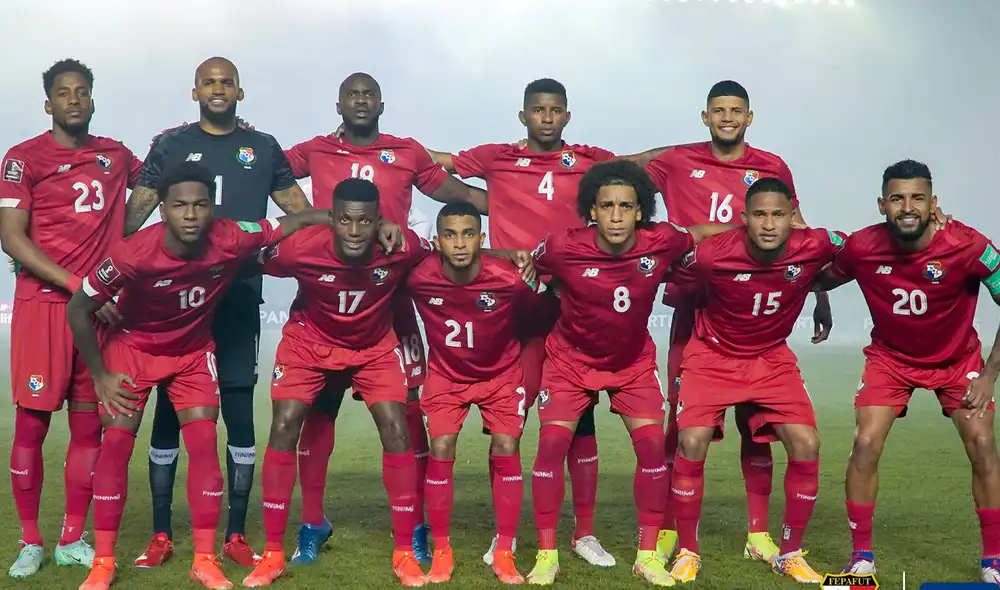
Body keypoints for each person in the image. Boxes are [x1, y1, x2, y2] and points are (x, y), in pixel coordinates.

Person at [65, 162, 336, 590]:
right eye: (179, 206)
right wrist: (99, 375)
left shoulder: (231, 235)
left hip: (191, 353)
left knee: (205, 444)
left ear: (212, 208)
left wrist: (336, 217)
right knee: (115, 445)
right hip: (133, 349)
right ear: (163, 210)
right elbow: (78, 307)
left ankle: (205, 560)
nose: (190, 214)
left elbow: (289, 222)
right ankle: (102, 563)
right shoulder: (132, 253)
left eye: (200, 205)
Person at [283, 72, 487, 564]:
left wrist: (521, 202)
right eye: (352, 95)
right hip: (329, 298)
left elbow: (456, 195)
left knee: (407, 413)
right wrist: (309, 217)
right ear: (338, 105)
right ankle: (312, 521)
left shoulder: (408, 152)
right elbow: (262, 167)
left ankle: (413, 522)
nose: (360, 101)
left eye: (368, 94)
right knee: (319, 409)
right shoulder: (313, 151)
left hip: (391, 297)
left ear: (381, 103)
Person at [123, 57, 313, 568]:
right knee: (168, 411)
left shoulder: (264, 146)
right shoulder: (170, 144)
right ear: (195, 92)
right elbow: (134, 213)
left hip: (235, 296)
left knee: (237, 410)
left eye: (227, 82)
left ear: (240, 92)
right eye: (210, 82)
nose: (218, 89)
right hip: (170, 300)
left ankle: (234, 534)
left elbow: (296, 208)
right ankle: (161, 535)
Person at [427, 78, 620, 567]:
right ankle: (503, 537)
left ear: (567, 116)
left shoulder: (589, 159)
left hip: (570, 302)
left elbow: (638, 167)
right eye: (539, 110)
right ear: (524, 116)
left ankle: (586, 533)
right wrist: (387, 147)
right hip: (512, 310)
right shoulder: (495, 157)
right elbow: (437, 163)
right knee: (510, 428)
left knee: (581, 421)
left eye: (556, 110)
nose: (547, 118)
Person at [643, 80, 830, 563]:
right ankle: (670, 529)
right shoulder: (677, 160)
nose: (727, 118)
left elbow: (801, 231)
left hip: (757, 305)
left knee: (756, 424)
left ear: (750, 117)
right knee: (682, 423)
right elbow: (622, 172)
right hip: (697, 305)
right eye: (718, 111)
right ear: (705, 116)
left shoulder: (772, 167)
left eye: (736, 111)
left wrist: (817, 293)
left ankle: (759, 532)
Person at [525, 160, 729, 587]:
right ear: (592, 211)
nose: (616, 216)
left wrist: (770, 230)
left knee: (654, 449)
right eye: (607, 206)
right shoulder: (563, 245)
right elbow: (533, 269)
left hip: (632, 364)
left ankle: (647, 555)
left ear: (640, 211)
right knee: (551, 448)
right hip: (570, 362)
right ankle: (547, 555)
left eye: (626, 207)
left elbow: (706, 232)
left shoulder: (663, 240)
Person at [812, 160, 1000, 584]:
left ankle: (994, 561)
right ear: (882, 204)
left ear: (934, 203)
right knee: (864, 443)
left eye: (917, 198)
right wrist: (820, 299)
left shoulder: (967, 244)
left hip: (957, 363)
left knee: (984, 446)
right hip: (891, 360)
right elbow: (818, 277)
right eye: (897, 198)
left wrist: (989, 373)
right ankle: (861, 558)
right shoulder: (862, 247)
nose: (908, 207)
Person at [0, 58, 143, 579]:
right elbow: (11, 238)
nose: (74, 100)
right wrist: (79, 286)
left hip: (102, 311)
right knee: (31, 427)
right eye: (64, 93)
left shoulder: (116, 155)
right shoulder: (22, 159)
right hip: (46, 308)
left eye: (82, 91)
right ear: (49, 103)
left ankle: (70, 538)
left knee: (90, 430)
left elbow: (165, 177)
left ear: (92, 98)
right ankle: (30, 540)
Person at [664, 177, 845, 584]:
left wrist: (820, 291)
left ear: (791, 217)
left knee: (807, 443)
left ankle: (790, 552)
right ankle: (688, 549)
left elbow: (865, 248)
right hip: (712, 356)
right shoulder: (713, 254)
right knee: (690, 441)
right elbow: (666, 273)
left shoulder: (815, 243)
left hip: (770, 358)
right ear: (744, 219)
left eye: (778, 215)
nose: (768, 224)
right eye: (759, 215)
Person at [406, 201, 541, 584]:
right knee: (442, 447)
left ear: (482, 239)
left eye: (468, 234)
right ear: (437, 241)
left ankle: (504, 550)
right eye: (450, 234)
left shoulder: (508, 279)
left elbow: (537, 311)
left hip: (501, 375)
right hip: (447, 376)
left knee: (506, 446)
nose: (460, 243)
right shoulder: (420, 277)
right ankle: (443, 551)